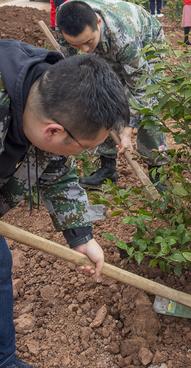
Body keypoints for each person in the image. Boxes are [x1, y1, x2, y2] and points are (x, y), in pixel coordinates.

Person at [0, 42, 129, 368]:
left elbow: (56, 175)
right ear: (54, 130)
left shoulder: (49, 91)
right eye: (84, 148)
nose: (82, 156)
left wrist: (82, 237)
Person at [56, 0, 167, 188]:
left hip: (148, 44)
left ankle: (157, 173)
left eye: (88, 42)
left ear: (98, 22)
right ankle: (107, 168)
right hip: (108, 44)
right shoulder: (64, 23)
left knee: (149, 107)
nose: (84, 50)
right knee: (101, 97)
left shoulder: (125, 38)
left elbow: (141, 88)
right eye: (77, 45)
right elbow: (68, 62)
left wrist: (127, 128)